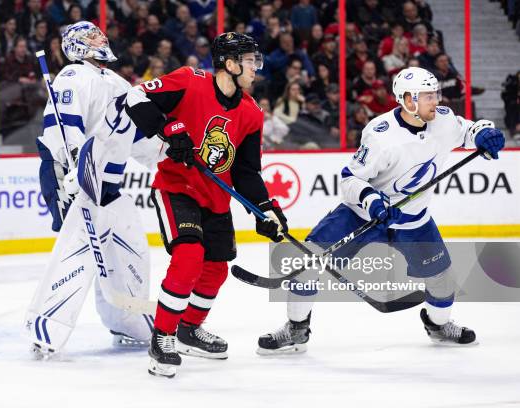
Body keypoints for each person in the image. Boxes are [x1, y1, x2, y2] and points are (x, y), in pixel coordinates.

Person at [257, 67, 505, 354]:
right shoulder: (380, 134)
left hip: (413, 219)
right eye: (428, 96)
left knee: (442, 280)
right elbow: (350, 179)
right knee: (309, 263)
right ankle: (296, 329)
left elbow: (467, 131)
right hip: (361, 215)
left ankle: (437, 326)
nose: (435, 100)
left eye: (435, 94)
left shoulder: (442, 120)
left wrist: (485, 134)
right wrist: (372, 201)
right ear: (408, 101)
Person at [126, 32, 289, 378]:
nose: (255, 69)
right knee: (188, 256)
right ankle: (163, 336)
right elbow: (135, 96)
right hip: (177, 186)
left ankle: (188, 328)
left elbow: (245, 171)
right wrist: (168, 128)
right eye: (249, 62)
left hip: (214, 197)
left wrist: (266, 208)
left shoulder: (251, 114)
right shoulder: (189, 81)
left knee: (215, 270)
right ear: (229, 65)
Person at [26, 21, 164, 358]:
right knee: (79, 254)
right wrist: (71, 167)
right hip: (73, 178)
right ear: (76, 45)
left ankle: (127, 321)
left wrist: (172, 152)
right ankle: (46, 326)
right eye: (91, 35)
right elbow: (62, 127)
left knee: (131, 247)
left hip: (107, 185)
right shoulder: (73, 76)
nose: (101, 37)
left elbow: (137, 137)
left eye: (100, 32)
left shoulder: (117, 83)